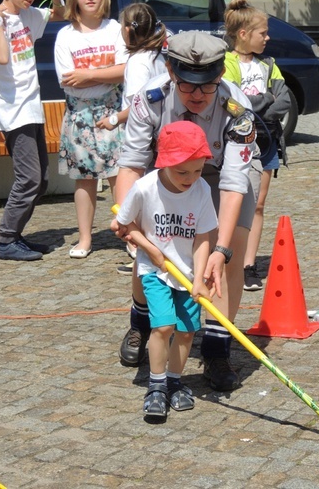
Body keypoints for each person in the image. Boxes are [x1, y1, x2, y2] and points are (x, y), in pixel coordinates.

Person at [112, 31, 256, 392]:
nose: (197, 96)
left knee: (230, 255)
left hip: (218, 173)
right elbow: (131, 164)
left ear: (220, 74)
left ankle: (216, 347)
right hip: (164, 171)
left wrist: (220, 250)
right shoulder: (151, 98)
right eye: (188, 86)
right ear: (171, 72)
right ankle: (140, 323)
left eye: (207, 87)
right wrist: (130, 227)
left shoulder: (237, 109)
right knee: (149, 252)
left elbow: (234, 183)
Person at [114, 121, 220, 417]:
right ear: (165, 162)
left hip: (186, 273)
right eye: (182, 171)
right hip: (155, 270)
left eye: (197, 170)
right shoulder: (145, 188)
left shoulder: (201, 190)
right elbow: (124, 225)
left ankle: (174, 382)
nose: (190, 178)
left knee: (187, 332)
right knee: (163, 326)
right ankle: (156, 386)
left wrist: (199, 279)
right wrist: (151, 250)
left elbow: (202, 238)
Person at [0, 0, 65, 261]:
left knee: (40, 179)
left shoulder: (28, 15)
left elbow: (62, 13)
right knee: (28, 178)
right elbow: (2, 58)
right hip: (14, 112)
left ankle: (15, 236)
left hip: (32, 108)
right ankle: (5, 240)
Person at [54, 0, 127, 259]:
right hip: (79, 115)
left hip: (112, 112)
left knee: (119, 177)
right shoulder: (65, 35)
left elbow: (124, 71)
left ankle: (129, 237)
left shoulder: (115, 30)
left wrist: (87, 75)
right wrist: (102, 75)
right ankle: (85, 239)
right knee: (84, 180)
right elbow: (67, 79)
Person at [223, 0, 291, 291]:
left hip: (267, 141)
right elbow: (233, 105)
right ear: (243, 34)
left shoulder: (268, 64)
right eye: (262, 33)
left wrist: (257, 105)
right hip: (241, 142)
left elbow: (285, 99)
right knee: (237, 203)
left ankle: (249, 265)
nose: (268, 37)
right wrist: (265, 100)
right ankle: (230, 259)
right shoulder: (228, 62)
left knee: (259, 205)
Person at [96, 2, 168, 274]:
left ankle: (143, 255)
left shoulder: (138, 62)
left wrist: (113, 120)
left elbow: (139, 105)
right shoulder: (156, 56)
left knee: (138, 198)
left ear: (128, 30)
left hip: (144, 141)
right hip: (157, 138)